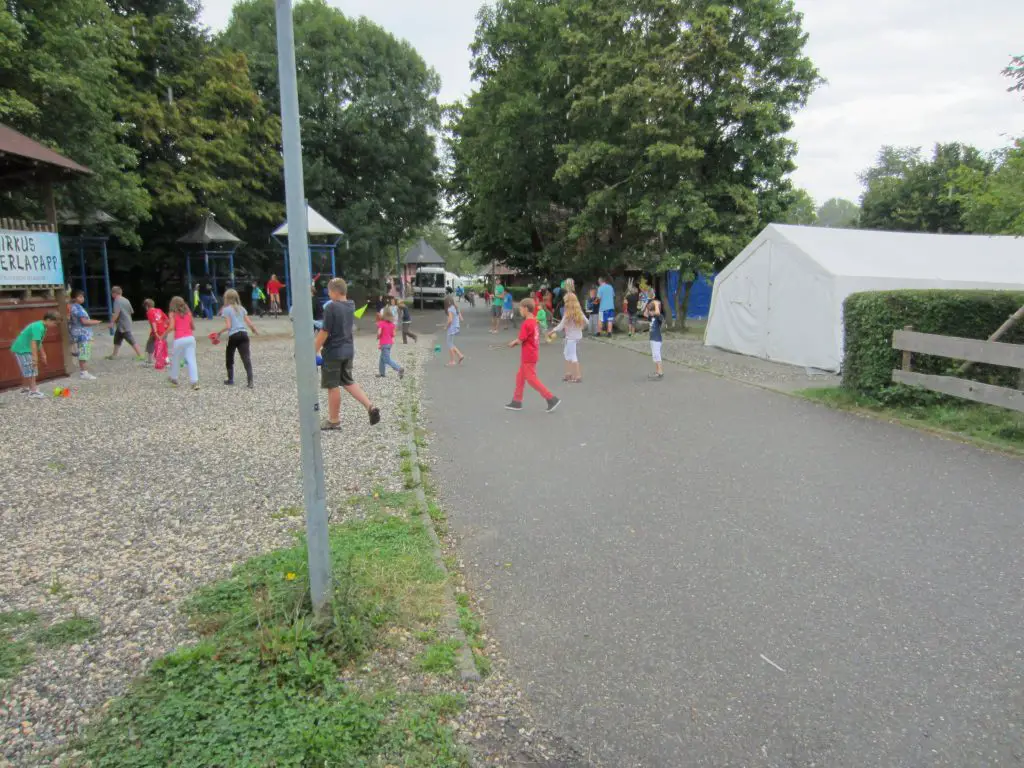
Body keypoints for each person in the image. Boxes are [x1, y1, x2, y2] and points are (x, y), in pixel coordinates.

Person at [314, 278, 380, 430]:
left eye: (329, 291)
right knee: (348, 381)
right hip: (348, 350)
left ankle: (334, 420)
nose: (328, 294)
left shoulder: (331, 308)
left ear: (334, 292)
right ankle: (370, 407)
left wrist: (313, 351)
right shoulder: (351, 305)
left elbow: (324, 332)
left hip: (333, 352)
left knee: (333, 385)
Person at [505, 298, 559, 413]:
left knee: (531, 379)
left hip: (528, 355)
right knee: (520, 377)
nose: (519, 310)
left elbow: (520, 340)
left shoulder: (526, 323)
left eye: (520, 308)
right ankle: (517, 401)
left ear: (525, 309)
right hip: (532, 353)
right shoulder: (534, 321)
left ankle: (551, 398)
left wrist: (513, 343)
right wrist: (516, 342)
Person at [216, 289, 260, 387]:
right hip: (244, 334)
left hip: (234, 335)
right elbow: (249, 323)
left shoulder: (226, 310)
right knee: (246, 358)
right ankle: (250, 381)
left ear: (226, 298)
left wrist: (218, 333)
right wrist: (254, 330)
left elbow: (228, 326)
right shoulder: (242, 308)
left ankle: (230, 379)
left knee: (229, 357)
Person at [12, 310, 60, 397]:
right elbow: (33, 342)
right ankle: (33, 391)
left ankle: (25, 388)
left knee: (27, 369)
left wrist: (43, 354)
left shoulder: (42, 326)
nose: (55, 326)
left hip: (24, 348)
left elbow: (39, 341)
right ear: (48, 320)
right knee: (31, 369)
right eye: (55, 323)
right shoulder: (39, 327)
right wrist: (35, 357)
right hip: (23, 349)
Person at [548, 292, 586, 383]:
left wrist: (552, 331)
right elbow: (586, 321)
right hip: (577, 336)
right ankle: (568, 374)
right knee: (567, 354)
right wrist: (580, 327)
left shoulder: (568, 313)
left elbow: (560, 326)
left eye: (566, 301)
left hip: (571, 337)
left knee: (572, 355)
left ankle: (577, 376)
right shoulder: (579, 312)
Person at [163, 296, 199, 389]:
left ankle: (174, 379)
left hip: (179, 339)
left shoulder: (172, 314)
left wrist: (163, 335)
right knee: (191, 360)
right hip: (190, 338)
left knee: (175, 359)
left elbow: (171, 327)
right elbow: (193, 327)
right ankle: (194, 382)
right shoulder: (188, 313)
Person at [69, 289, 102, 380]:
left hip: (79, 332)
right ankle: (84, 372)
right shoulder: (77, 307)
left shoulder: (74, 307)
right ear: (74, 298)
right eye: (80, 296)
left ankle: (84, 371)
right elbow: (84, 321)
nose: (82, 298)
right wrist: (96, 322)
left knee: (83, 352)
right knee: (84, 352)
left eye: (82, 296)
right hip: (82, 333)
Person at [107, 287, 144, 360]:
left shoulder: (117, 301)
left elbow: (116, 313)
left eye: (112, 293)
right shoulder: (126, 300)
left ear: (114, 293)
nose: (111, 295)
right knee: (117, 338)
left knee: (130, 339)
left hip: (122, 324)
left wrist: (111, 322)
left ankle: (140, 355)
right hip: (126, 322)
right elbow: (131, 311)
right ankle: (114, 355)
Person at [376, 309, 405, 379]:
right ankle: (382, 373)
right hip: (389, 343)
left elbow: (379, 332)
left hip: (384, 343)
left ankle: (399, 369)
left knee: (387, 359)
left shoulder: (381, 323)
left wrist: (378, 337)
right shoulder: (392, 325)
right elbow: (394, 334)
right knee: (382, 359)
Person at [142, 298, 170, 369]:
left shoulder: (149, 312)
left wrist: (155, 332)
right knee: (163, 345)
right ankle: (166, 361)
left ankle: (150, 360)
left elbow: (153, 322)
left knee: (151, 344)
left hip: (156, 331)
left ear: (146, 306)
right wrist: (165, 327)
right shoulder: (159, 310)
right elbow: (167, 319)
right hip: (163, 331)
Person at [644, 287, 664, 380]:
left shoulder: (658, 318)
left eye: (652, 311)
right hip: (652, 338)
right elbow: (645, 314)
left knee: (657, 355)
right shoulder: (651, 317)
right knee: (654, 356)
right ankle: (657, 371)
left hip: (657, 339)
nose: (651, 313)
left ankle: (660, 372)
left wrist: (655, 304)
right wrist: (648, 305)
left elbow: (658, 312)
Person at [444, 295, 465, 366]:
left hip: (452, 328)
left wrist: (446, 327)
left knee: (449, 344)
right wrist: (460, 319)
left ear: (448, 302)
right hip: (456, 327)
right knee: (451, 343)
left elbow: (450, 320)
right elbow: (461, 317)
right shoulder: (455, 307)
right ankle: (460, 355)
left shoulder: (450, 309)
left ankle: (452, 361)